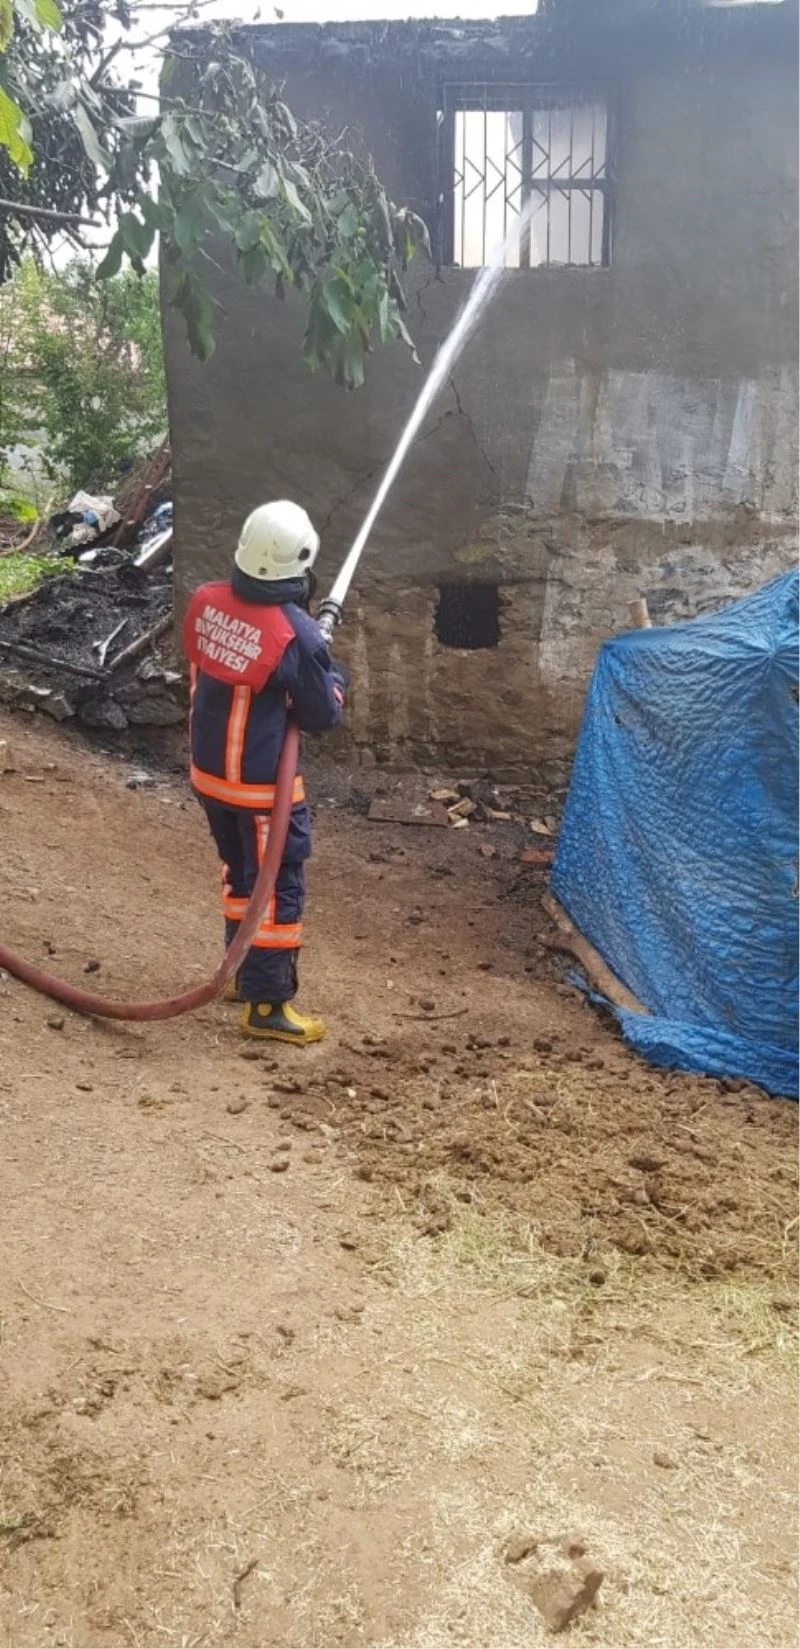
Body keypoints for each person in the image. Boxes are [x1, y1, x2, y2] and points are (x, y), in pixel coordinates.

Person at [182, 500, 346, 1044]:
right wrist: (333, 675)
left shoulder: (206, 600)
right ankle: (267, 1005)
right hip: (260, 788)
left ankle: (239, 973)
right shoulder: (296, 636)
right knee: (276, 887)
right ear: (301, 561)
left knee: (240, 874)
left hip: (209, 775)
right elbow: (321, 715)